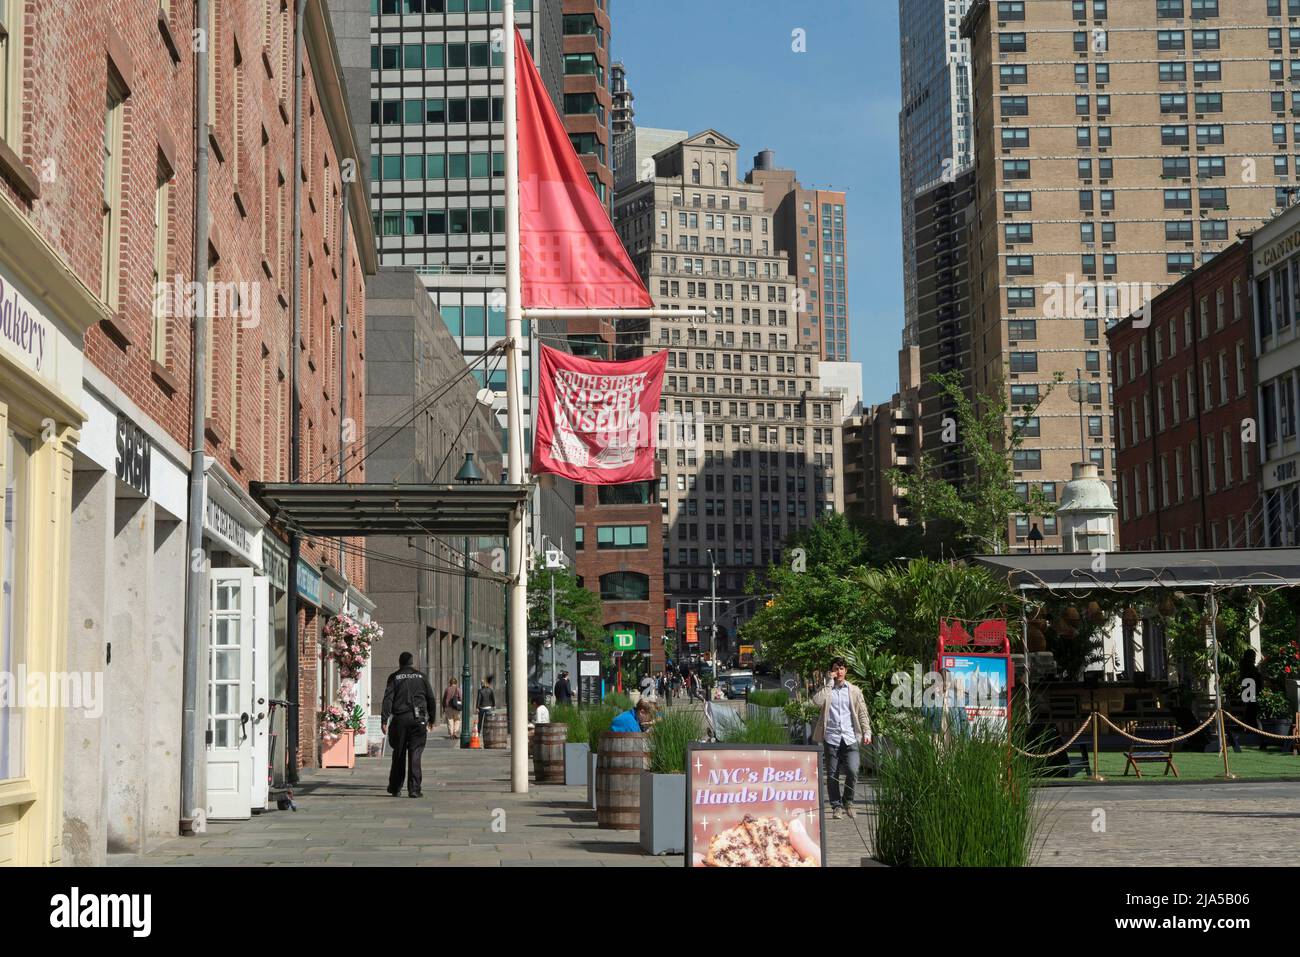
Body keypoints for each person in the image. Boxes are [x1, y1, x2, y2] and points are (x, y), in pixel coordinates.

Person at [812, 656, 872, 820]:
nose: (838, 672)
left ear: (846, 671)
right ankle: (836, 806)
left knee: (853, 769)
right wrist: (828, 684)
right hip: (831, 737)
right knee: (832, 774)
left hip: (850, 736)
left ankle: (849, 801)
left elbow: (862, 713)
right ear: (831, 671)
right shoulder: (826, 689)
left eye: (841, 668)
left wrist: (867, 732)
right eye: (835, 668)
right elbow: (816, 702)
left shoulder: (854, 690)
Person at [381, 652, 437, 798]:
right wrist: (432, 718)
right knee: (416, 753)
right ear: (412, 663)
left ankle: (395, 787)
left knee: (399, 753)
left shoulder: (394, 677)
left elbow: (388, 699)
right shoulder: (421, 677)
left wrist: (384, 719)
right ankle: (414, 789)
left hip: (400, 719)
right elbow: (431, 698)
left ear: (399, 663)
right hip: (418, 719)